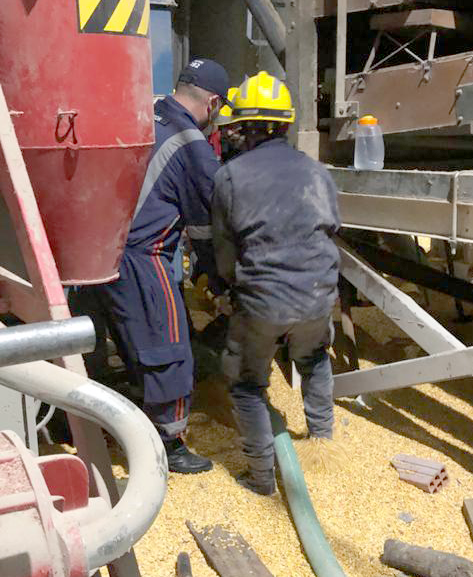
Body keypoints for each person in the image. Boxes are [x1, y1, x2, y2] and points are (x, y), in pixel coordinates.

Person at [91, 58, 231, 474]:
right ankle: (169, 444)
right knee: (169, 346)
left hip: (92, 248)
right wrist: (217, 278)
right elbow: (206, 227)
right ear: (214, 102)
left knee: (119, 340)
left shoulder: (142, 111)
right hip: (141, 255)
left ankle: (99, 418)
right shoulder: (192, 145)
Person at [212, 71, 341, 495]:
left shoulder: (230, 177)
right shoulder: (317, 172)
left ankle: (262, 479)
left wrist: (232, 289)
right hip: (319, 294)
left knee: (247, 383)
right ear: (285, 124)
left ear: (244, 126)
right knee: (315, 357)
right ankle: (323, 440)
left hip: (264, 302)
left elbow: (226, 255)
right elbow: (332, 227)